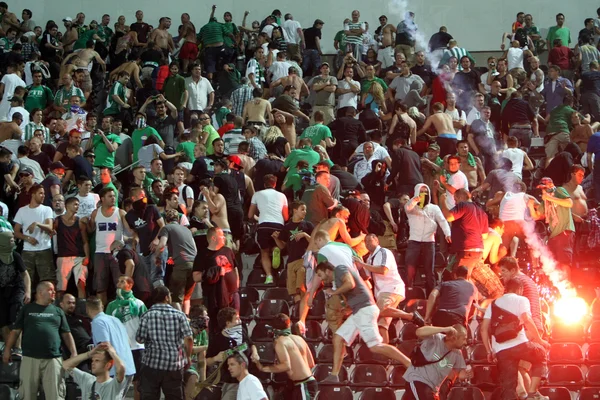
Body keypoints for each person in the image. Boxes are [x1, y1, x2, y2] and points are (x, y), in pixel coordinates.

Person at [316, 260, 410, 384]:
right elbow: (354, 294)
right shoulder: (337, 280)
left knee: (376, 347)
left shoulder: (339, 268)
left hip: (365, 311)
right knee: (338, 338)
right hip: (359, 312)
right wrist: (345, 308)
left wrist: (334, 292)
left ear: (327, 271)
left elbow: (350, 284)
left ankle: (409, 364)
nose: (320, 278)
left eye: (320, 274)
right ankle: (334, 376)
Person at [2, 281, 77, 400]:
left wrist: (73, 352)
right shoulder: (27, 309)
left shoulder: (58, 311)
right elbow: (15, 331)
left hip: (53, 359)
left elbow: (66, 334)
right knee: (27, 395)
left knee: (56, 396)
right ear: (40, 292)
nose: (54, 292)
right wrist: (7, 349)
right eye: (50, 290)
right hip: (30, 358)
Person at [480, 278, 550, 400]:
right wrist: (539, 340)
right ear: (520, 289)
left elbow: (483, 329)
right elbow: (527, 320)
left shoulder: (493, 304)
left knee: (508, 388)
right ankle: (533, 393)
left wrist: (489, 351)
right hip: (520, 345)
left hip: (501, 350)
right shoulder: (522, 300)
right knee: (541, 354)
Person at [354, 234, 423, 343]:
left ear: (376, 240)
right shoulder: (369, 259)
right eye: (365, 242)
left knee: (377, 311)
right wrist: (359, 265)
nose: (367, 244)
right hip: (382, 292)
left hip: (391, 288)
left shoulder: (384, 252)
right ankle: (385, 355)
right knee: (382, 325)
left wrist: (362, 264)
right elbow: (366, 276)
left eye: (369, 241)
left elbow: (383, 270)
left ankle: (410, 316)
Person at [137, 286, 194, 400]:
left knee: (149, 396)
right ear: (167, 297)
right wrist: (188, 356)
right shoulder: (179, 315)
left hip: (151, 364)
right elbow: (189, 338)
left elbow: (139, 339)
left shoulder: (147, 315)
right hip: (174, 365)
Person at [255, 314, 316, 400]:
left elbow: (286, 366)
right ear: (289, 324)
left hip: (303, 384)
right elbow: (311, 363)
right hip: (306, 383)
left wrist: (263, 368)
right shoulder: (299, 338)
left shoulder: (280, 341)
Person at [402, 324, 471, 400]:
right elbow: (419, 332)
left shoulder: (457, 354)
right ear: (454, 338)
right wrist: (443, 329)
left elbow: (459, 373)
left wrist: (466, 374)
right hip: (419, 380)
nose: (465, 342)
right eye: (463, 339)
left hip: (433, 389)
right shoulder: (436, 338)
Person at [204, 307, 260, 400]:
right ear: (228, 323)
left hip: (248, 378)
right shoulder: (217, 340)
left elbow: (251, 344)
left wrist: (255, 353)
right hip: (231, 382)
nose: (240, 321)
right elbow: (207, 361)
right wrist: (216, 358)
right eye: (237, 319)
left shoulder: (242, 331)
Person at [405, 184, 451, 294]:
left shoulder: (434, 208)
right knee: (410, 269)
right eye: (421, 192)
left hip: (429, 242)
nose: (424, 194)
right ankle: (407, 291)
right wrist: (416, 199)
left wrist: (447, 233)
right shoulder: (412, 208)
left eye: (425, 192)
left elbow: (442, 221)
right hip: (414, 241)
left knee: (429, 271)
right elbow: (407, 207)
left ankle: (432, 295)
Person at [89, 187, 128, 305]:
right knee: (100, 286)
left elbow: (129, 230)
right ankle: (102, 312)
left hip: (117, 252)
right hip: (100, 253)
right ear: (102, 199)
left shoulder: (120, 212)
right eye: (110, 196)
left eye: (114, 196)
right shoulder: (96, 213)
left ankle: (121, 310)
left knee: (120, 285)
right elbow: (90, 230)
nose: (113, 198)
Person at [249, 174, 288, 284]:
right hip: (278, 225)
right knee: (277, 243)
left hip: (264, 225)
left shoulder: (257, 194)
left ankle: (269, 276)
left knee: (264, 252)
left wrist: (258, 217)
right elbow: (286, 217)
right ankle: (276, 249)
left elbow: (250, 215)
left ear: (264, 184)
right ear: (275, 184)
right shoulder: (282, 196)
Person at [440, 188, 489, 277]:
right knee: (469, 279)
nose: (455, 203)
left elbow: (449, 216)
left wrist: (442, 201)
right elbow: (485, 236)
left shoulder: (463, 205)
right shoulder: (482, 212)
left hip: (466, 251)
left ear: (461, 197)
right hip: (478, 251)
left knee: (459, 278)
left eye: (455, 199)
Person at [156, 209, 197, 312]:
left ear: (166, 220)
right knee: (185, 297)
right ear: (178, 219)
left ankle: (181, 319)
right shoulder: (187, 230)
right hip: (194, 265)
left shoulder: (166, 228)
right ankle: (186, 317)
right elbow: (195, 249)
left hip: (180, 265)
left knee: (174, 298)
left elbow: (161, 245)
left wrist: (156, 257)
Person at [529, 177, 575, 268]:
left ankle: (567, 282)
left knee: (564, 262)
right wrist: (530, 206)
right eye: (542, 189)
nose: (543, 191)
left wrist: (550, 198)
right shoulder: (544, 202)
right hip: (554, 235)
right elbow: (536, 216)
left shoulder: (559, 190)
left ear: (551, 185)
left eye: (545, 188)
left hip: (565, 231)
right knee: (553, 263)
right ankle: (557, 281)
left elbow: (569, 203)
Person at [13, 184, 55, 285]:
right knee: (26, 280)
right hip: (27, 251)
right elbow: (16, 232)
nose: (43, 195)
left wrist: (37, 223)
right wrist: (27, 238)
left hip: (44, 249)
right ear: (33, 194)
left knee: (47, 279)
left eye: (44, 193)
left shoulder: (46, 209)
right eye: (40, 193)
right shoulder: (22, 210)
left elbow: (50, 227)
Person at [0, 232, 30, 356]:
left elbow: (25, 274)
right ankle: (9, 348)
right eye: (11, 240)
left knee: (16, 319)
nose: (13, 241)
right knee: (2, 321)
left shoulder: (15, 256)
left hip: (16, 290)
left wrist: (27, 291)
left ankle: (18, 349)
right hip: (1, 292)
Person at [63, 342, 127, 399]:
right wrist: (88, 354)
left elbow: (121, 368)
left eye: (97, 360)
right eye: (92, 360)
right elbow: (65, 365)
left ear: (108, 365)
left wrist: (113, 353)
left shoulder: (114, 385)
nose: (93, 363)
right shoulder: (87, 379)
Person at [55, 197, 90, 299]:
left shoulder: (80, 222)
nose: (77, 206)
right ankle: (59, 309)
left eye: (78, 205)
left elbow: (85, 241)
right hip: (63, 256)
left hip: (79, 257)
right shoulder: (58, 221)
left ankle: (81, 308)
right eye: (75, 204)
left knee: (81, 283)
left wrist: (87, 256)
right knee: (61, 287)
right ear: (67, 206)